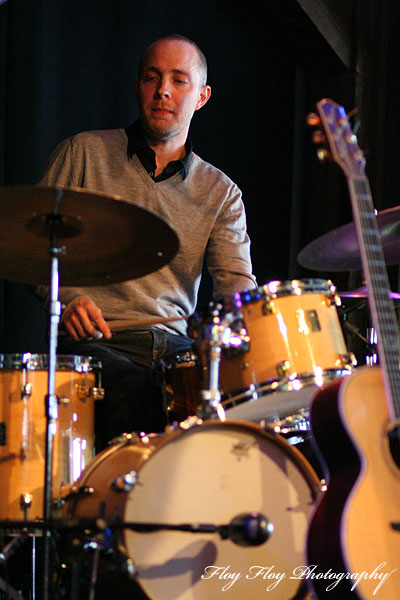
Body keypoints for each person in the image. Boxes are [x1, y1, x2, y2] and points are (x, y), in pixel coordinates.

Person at [38, 33, 257, 451]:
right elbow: (33, 248)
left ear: (202, 96)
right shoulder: (83, 153)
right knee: (136, 392)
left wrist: (239, 331)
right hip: (100, 341)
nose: (162, 91)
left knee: (228, 420)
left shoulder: (221, 192)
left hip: (177, 352)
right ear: (137, 85)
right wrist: (68, 299)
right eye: (152, 78)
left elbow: (237, 287)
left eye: (179, 80)